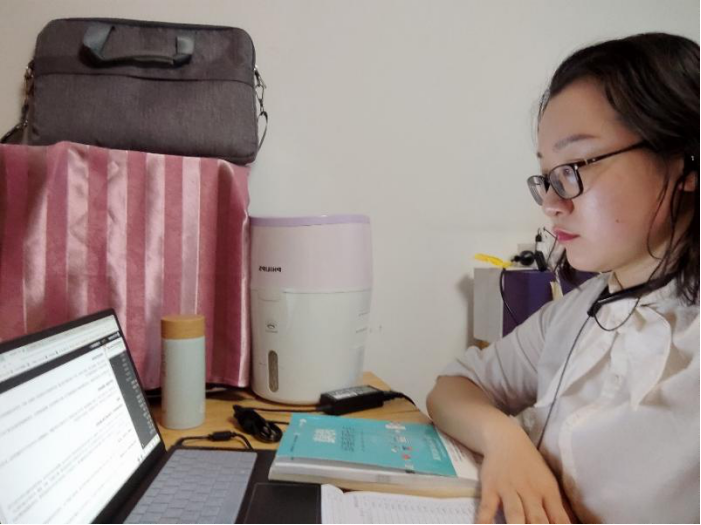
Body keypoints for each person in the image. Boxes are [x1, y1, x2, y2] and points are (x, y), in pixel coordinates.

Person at [427, 33, 699, 524]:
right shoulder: (584, 307)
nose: (552, 204)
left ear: (685, 159)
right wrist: (505, 440)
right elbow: (454, 386)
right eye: (548, 176)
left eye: (574, 167)